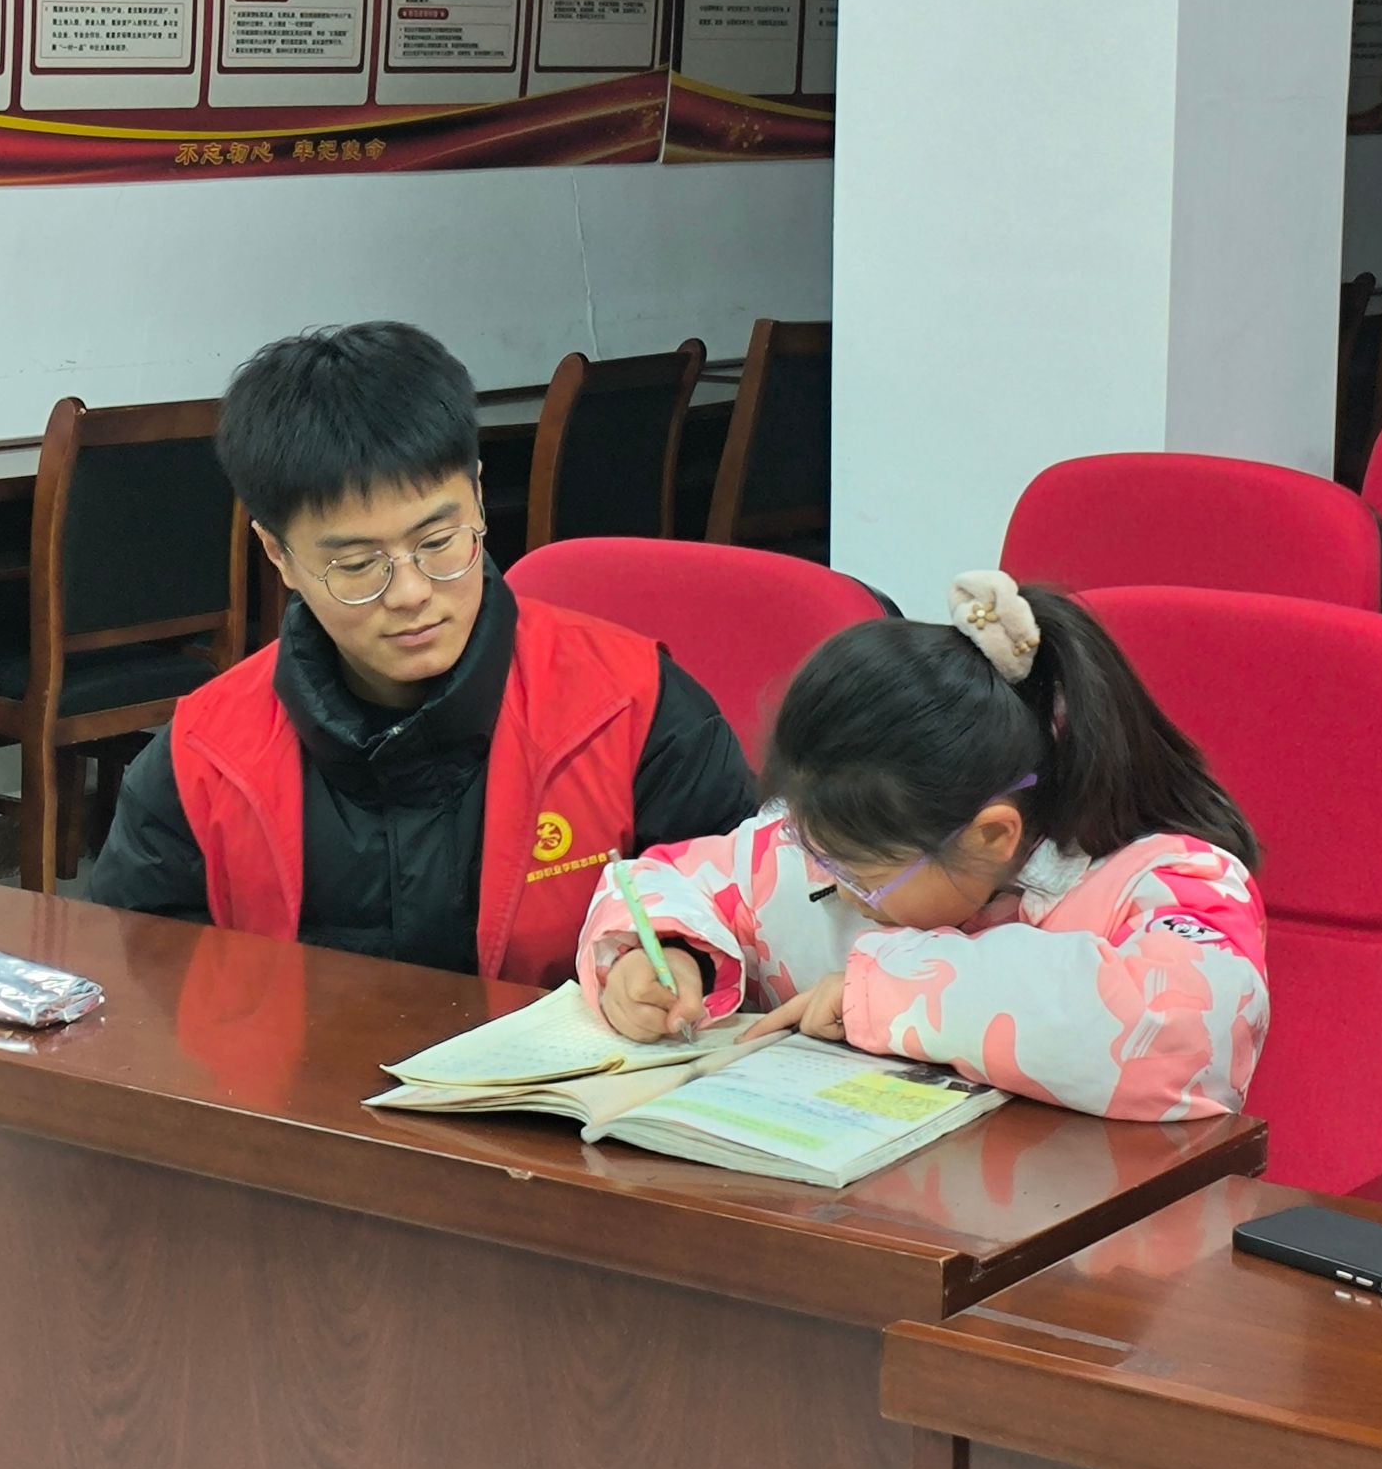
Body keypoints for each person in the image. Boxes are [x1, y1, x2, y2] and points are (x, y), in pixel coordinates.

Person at [91, 322, 755, 986]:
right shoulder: (204, 760)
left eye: (438, 542)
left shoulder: (632, 709)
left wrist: (684, 961)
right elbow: (144, 976)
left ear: (479, 499)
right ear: (278, 555)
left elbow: (748, 912)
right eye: (357, 565)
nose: (410, 593)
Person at [578, 569, 1269, 1122]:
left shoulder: (1171, 882)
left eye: (862, 879)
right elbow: (667, 879)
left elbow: (1185, 1037)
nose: (832, 887)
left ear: (991, 836)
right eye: (816, 853)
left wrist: (883, 992)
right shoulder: (824, 850)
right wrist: (668, 954)